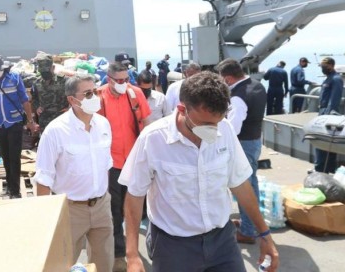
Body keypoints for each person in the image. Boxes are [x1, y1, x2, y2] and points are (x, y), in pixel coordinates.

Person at [119, 72, 279, 272]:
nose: (213, 130)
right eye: (205, 124)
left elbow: (240, 184)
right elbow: (135, 196)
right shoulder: (152, 139)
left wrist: (264, 234)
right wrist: (132, 255)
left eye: (217, 122)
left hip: (222, 242)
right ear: (182, 109)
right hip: (173, 247)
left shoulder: (225, 130)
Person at [33, 75, 114, 271]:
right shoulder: (55, 131)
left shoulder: (103, 124)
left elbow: (106, 166)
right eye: (87, 94)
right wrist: (47, 219)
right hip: (70, 210)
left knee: (104, 263)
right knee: (62, 264)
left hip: (101, 206)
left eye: (95, 92)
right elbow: (44, 179)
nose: (94, 97)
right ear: (71, 99)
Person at [97, 61, 151, 271]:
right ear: (108, 79)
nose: (123, 83)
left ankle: (138, 248)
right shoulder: (99, 97)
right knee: (114, 209)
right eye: (119, 80)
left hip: (134, 160)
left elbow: (146, 123)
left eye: (126, 79)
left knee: (138, 207)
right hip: (111, 163)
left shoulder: (135, 93)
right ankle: (120, 252)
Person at [216, 58, 267, 244]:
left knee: (243, 186)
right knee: (252, 183)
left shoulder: (238, 96)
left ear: (228, 79)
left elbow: (233, 129)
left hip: (243, 144)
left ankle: (248, 231)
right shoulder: (257, 85)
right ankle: (250, 223)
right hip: (254, 140)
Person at [0, 55, 39, 198]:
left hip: (14, 122)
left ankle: (15, 190)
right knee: (5, 156)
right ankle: (9, 184)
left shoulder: (14, 77)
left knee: (14, 156)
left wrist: (30, 121)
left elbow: (25, 100)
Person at [314, 57, 344, 173]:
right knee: (321, 144)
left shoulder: (336, 79)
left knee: (326, 143)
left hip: (328, 114)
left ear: (331, 65)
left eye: (324, 66)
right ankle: (321, 168)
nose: (323, 68)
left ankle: (325, 169)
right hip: (322, 112)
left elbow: (334, 100)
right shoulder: (328, 79)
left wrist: (327, 116)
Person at [30, 53, 69, 133]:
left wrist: (70, 108)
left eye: (47, 72)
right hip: (45, 120)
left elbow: (74, 95)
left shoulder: (64, 81)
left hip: (62, 118)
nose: (45, 74)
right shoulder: (36, 83)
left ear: (53, 68)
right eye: (42, 72)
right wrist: (37, 107)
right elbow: (34, 98)